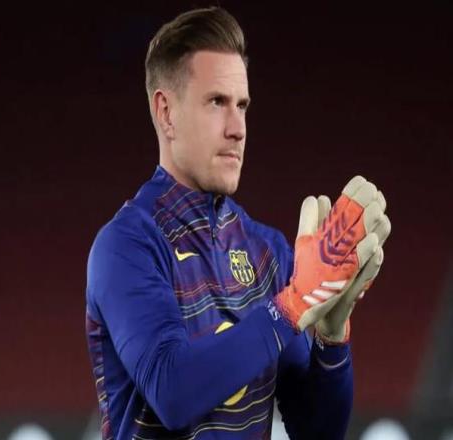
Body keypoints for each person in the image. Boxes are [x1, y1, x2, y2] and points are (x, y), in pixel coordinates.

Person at [85, 7, 391, 440]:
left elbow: (317, 432)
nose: (237, 128)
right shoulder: (126, 246)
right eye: (217, 102)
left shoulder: (268, 251)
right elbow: (173, 392)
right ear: (166, 112)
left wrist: (332, 337)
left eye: (242, 106)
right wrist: (292, 307)